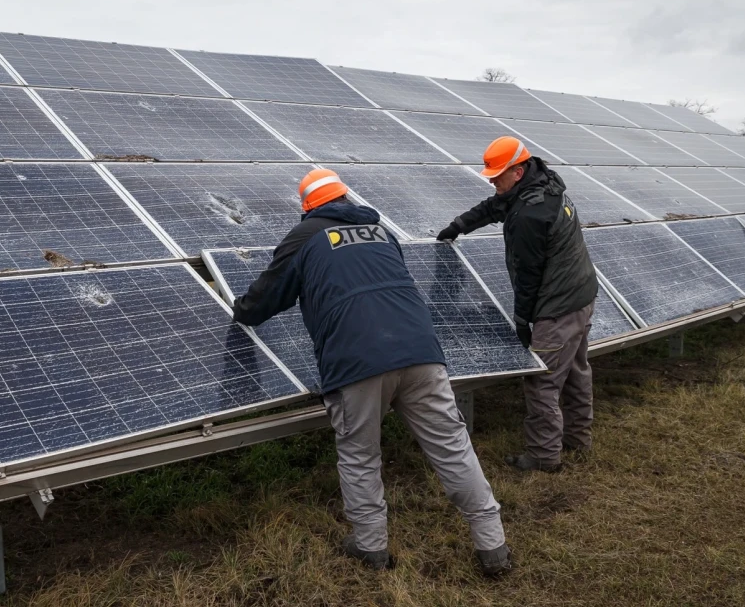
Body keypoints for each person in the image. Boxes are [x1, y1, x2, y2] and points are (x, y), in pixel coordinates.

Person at [232, 168, 512, 576]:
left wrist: (241, 310)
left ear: (308, 206)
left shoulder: (305, 236)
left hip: (357, 361)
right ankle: (494, 546)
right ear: (345, 198)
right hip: (420, 351)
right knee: (453, 447)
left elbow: (265, 299)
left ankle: (371, 547)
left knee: (361, 455)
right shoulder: (382, 232)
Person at [436, 136, 599, 473]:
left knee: (542, 380)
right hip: (582, 295)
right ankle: (577, 439)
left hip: (558, 306)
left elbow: (528, 276)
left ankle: (543, 456)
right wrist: (459, 226)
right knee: (576, 371)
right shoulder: (545, 185)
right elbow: (495, 206)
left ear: (519, 171)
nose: (492, 180)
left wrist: (523, 320)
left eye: (498, 175)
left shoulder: (530, 215)